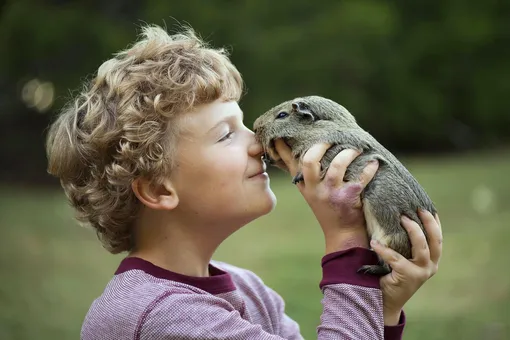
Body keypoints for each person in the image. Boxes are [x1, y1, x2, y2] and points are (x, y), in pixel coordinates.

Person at [45, 23, 442, 340]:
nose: (257, 142)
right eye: (225, 134)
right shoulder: (159, 317)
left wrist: (381, 311)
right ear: (158, 189)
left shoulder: (248, 289)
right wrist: (346, 242)